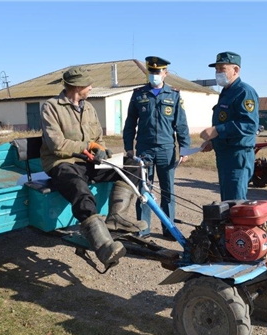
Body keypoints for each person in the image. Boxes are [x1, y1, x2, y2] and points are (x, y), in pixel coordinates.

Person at [40, 66, 147, 269]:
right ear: (77, 85)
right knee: (80, 190)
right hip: (62, 163)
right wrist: (87, 146)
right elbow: (56, 144)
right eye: (88, 84)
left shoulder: (88, 107)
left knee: (132, 165)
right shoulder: (51, 107)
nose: (91, 88)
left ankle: (117, 218)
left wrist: (102, 150)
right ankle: (102, 245)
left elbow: (98, 138)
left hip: (89, 162)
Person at [123, 56, 191, 239]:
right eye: (151, 72)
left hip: (166, 150)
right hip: (144, 149)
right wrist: (128, 147)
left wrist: (184, 148)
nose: (154, 75)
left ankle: (169, 230)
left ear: (165, 73)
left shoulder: (174, 95)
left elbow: (181, 125)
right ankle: (143, 229)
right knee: (144, 189)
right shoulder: (138, 95)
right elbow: (130, 123)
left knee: (168, 190)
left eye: (157, 72)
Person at [199, 51, 259, 201]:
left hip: (238, 155)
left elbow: (250, 125)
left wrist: (217, 130)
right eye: (216, 69)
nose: (218, 73)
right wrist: (213, 141)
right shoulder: (227, 92)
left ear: (236, 70)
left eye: (222, 69)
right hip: (225, 154)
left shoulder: (244, 92)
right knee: (227, 202)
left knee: (235, 202)